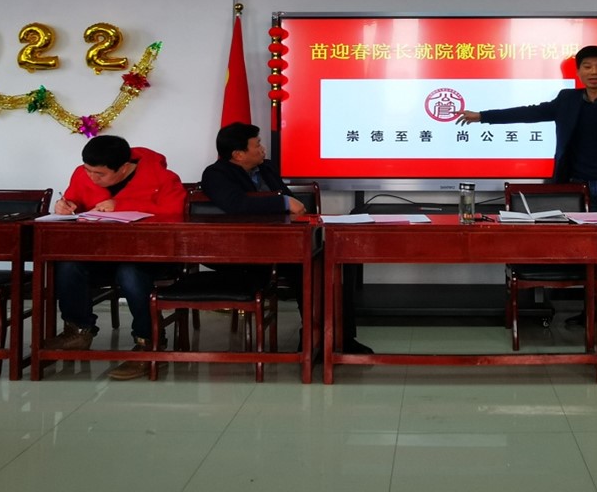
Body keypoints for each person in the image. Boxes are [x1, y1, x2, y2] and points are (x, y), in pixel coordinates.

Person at [457, 44, 597, 336]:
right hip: (577, 188)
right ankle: (593, 309)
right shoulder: (568, 100)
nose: (593, 72)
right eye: (587, 66)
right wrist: (482, 116)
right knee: (588, 254)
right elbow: (529, 113)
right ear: (578, 71)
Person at [200, 122, 372, 354]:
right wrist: (282, 202)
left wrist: (289, 205)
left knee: (335, 260)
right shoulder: (216, 174)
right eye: (257, 145)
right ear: (238, 154)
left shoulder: (266, 168)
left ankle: (342, 338)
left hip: (283, 244)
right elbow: (237, 204)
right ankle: (312, 338)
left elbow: (294, 204)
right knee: (308, 267)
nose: (263, 149)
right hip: (243, 251)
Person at [44, 134, 187, 380]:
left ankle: (148, 341)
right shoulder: (82, 174)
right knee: (68, 264)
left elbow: (175, 214)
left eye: (99, 174)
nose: (91, 177)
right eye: (88, 170)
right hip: (101, 253)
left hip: (149, 256)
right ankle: (78, 330)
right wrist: (64, 207)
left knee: (130, 272)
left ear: (123, 168)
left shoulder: (163, 178)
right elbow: (74, 202)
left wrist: (120, 205)